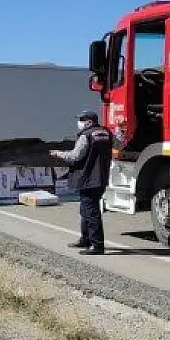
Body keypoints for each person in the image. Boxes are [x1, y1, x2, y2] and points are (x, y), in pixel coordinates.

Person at [50, 109, 112, 254]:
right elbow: (120, 145)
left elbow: (75, 156)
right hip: (101, 177)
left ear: (89, 122)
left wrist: (58, 153)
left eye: (81, 120)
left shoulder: (86, 135)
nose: (79, 123)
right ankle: (86, 239)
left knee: (91, 211)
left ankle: (97, 245)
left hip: (88, 177)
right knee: (86, 209)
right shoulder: (107, 133)